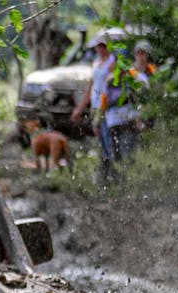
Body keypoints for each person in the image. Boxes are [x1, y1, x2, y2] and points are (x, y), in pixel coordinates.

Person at [101, 40, 156, 176]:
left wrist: (141, 118)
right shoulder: (110, 79)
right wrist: (99, 118)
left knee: (127, 154)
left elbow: (144, 100)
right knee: (113, 154)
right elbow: (104, 100)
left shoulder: (138, 78)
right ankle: (116, 182)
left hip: (129, 121)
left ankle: (128, 181)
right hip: (112, 122)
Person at [71, 31, 117, 184]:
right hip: (95, 105)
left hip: (107, 105)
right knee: (100, 138)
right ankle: (105, 173)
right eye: (99, 47)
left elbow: (112, 85)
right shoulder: (96, 63)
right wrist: (80, 108)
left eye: (103, 46)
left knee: (107, 137)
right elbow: (90, 87)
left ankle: (112, 173)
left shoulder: (112, 62)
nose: (101, 49)